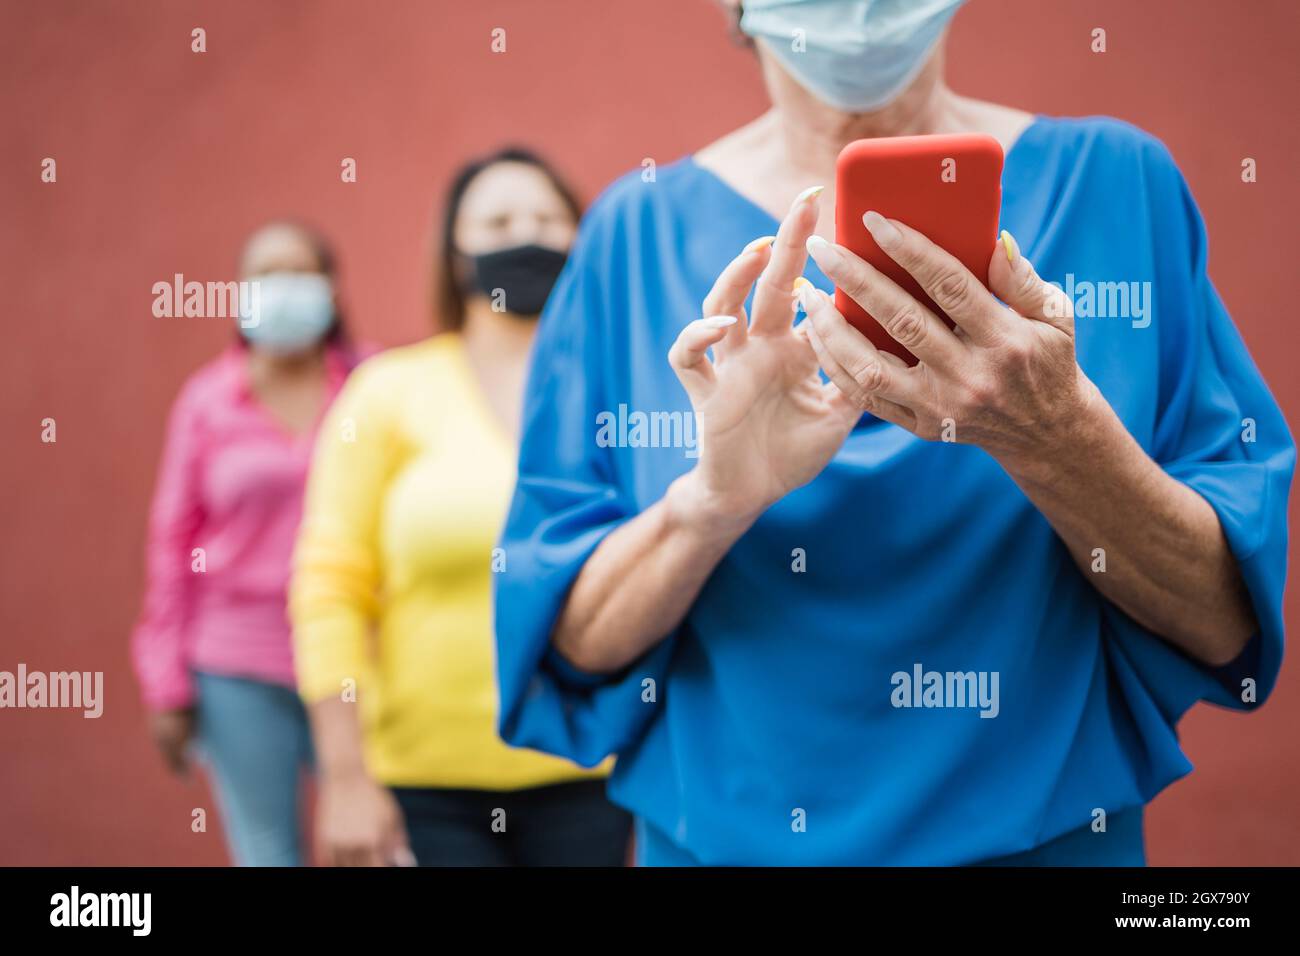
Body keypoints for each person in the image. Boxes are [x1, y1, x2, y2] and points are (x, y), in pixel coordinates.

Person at [493, 0, 1294, 865]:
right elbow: (571, 642)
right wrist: (713, 502)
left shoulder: (1117, 185)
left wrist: (1052, 437)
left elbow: (1223, 621)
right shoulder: (632, 230)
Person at [291, 147, 631, 867]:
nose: (526, 234)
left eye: (547, 218)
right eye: (498, 219)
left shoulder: (621, 395)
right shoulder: (386, 393)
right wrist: (346, 778)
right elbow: (328, 589)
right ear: (455, 255)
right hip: (423, 788)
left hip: (590, 775)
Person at [132, 221, 359, 866]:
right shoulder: (207, 403)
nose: (283, 288)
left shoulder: (373, 384)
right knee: (266, 851)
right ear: (238, 293)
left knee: (371, 839)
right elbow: (171, 547)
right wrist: (164, 683)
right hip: (236, 666)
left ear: (332, 290)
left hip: (349, 659)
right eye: (265, 274)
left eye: (299, 271)